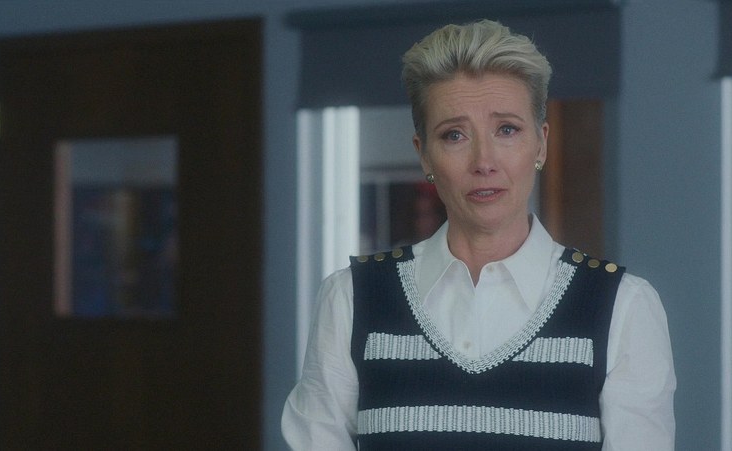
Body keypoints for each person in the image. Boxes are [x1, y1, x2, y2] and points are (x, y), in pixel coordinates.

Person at [282, 19, 676, 450]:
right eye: (454, 135)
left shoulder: (622, 306)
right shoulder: (351, 300)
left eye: (507, 129)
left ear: (540, 144)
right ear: (424, 155)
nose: (483, 161)